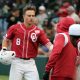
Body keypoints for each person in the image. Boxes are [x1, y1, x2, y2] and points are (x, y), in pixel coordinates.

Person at [1, 5, 53, 80]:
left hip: (30, 63)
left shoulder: (38, 31)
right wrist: (4, 49)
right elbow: (6, 39)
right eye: (29, 15)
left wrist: (53, 48)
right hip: (17, 62)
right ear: (23, 16)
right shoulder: (14, 28)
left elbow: (48, 44)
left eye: (33, 15)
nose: (31, 17)